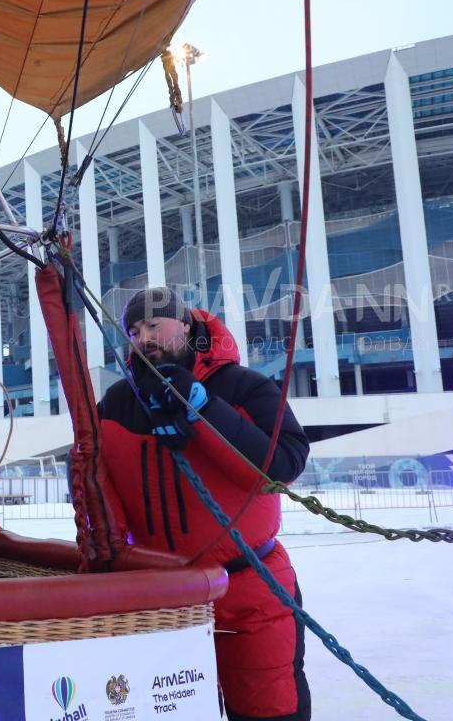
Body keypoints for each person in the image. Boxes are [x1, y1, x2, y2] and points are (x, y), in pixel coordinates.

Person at [97, 287, 311, 721]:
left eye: (154, 325)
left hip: (249, 587)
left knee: (267, 710)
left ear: (187, 326)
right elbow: (95, 484)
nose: (143, 338)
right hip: (163, 595)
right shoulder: (119, 402)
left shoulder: (244, 385)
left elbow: (284, 463)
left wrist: (204, 409)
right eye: (134, 331)